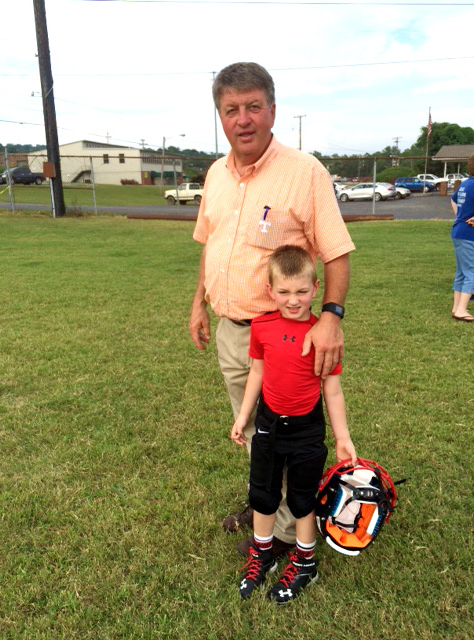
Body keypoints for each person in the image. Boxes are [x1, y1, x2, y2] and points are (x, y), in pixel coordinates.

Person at [190, 62, 355, 556]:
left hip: (286, 339)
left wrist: (330, 318)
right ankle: (265, 504)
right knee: (258, 431)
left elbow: (337, 252)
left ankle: (286, 532)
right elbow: (210, 242)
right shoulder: (216, 173)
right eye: (231, 109)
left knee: (289, 430)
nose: (243, 119)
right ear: (221, 116)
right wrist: (198, 303)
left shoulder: (304, 172)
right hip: (232, 331)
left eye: (253, 107)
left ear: (272, 111)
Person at [231, 245, 357, 603]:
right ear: (270, 291)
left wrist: (343, 438)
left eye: (302, 291)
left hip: (307, 428)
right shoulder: (262, 327)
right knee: (263, 494)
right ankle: (262, 553)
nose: (293, 300)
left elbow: (332, 391)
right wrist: (243, 417)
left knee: (302, 499)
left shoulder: (323, 335)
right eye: (284, 292)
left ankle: (305, 563)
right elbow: (256, 372)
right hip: (269, 425)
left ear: (316, 288)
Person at [451, 154, 474, 322]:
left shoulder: (466, 183)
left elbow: (453, 200)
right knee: (471, 272)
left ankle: (456, 307)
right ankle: (461, 309)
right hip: (469, 235)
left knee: (461, 272)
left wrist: (459, 216)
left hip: (458, 232)